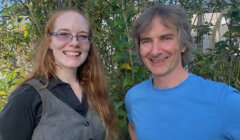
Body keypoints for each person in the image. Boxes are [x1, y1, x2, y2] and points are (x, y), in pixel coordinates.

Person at [0, 7, 119, 140]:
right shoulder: (27, 96)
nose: (75, 42)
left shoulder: (95, 91)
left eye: (83, 36)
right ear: (50, 42)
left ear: (90, 43)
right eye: (63, 34)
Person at [125, 4, 240, 140]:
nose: (155, 51)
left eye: (166, 38)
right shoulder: (134, 97)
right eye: (146, 41)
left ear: (183, 44)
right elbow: (133, 129)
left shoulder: (227, 101)